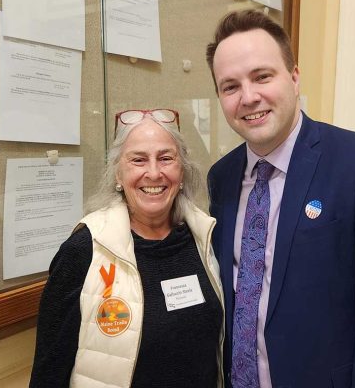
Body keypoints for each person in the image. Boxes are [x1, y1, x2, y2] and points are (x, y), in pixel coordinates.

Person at [206, 10, 355, 388]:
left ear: (293, 76)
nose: (249, 97)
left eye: (262, 76)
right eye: (230, 86)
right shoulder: (221, 178)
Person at [30, 109, 224, 388]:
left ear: (182, 171)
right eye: (138, 160)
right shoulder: (85, 250)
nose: (154, 172)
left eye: (166, 158)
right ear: (118, 174)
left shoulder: (204, 238)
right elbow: (49, 370)